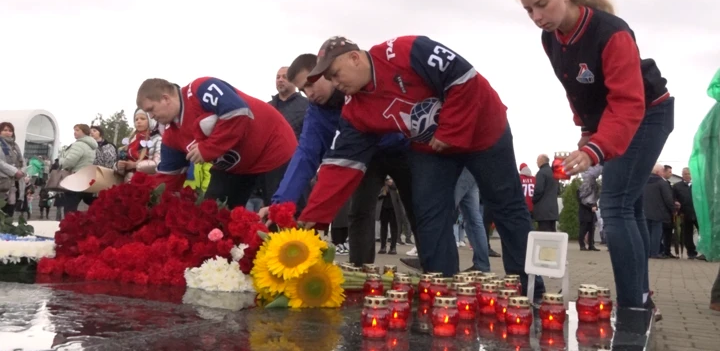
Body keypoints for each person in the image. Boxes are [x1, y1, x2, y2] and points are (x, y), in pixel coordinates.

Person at [294, 35, 545, 298]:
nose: (335, 84)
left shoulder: (408, 50)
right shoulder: (355, 109)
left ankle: (529, 290)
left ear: (354, 58)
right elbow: (341, 164)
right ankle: (442, 290)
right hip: (433, 148)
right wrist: (315, 216)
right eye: (330, 79)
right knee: (428, 212)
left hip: (484, 130)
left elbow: (464, 78)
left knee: (506, 205)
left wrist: (449, 130)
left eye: (335, 74)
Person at [517, 0, 674, 314]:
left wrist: (596, 149)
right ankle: (643, 300)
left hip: (648, 112)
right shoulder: (550, 39)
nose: (537, 16)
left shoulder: (611, 32)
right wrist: (586, 133)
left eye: (542, 4)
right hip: (611, 118)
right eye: (529, 10)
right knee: (628, 206)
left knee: (615, 205)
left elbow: (628, 102)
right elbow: (574, 87)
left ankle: (633, 307)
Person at [257, 53, 412, 267]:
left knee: (418, 207)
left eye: (311, 84)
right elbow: (306, 155)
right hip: (362, 158)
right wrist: (280, 203)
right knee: (359, 212)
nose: (309, 94)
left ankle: (435, 265)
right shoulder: (317, 111)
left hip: (399, 146)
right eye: (303, 90)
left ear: (324, 72)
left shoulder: (355, 86)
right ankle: (361, 271)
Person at [135, 77, 297, 208]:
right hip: (236, 168)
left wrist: (208, 148)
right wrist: (149, 204)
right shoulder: (170, 135)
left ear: (165, 99)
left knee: (282, 216)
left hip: (273, 149)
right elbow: (168, 178)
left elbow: (238, 112)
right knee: (212, 215)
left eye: (151, 109)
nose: (152, 116)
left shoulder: (200, 89)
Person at [643, 163, 674, 258]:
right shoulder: (661, 183)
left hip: (645, 212)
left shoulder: (644, 181)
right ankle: (654, 253)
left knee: (647, 232)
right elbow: (668, 199)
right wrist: (673, 209)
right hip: (659, 212)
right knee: (656, 233)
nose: (663, 172)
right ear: (657, 172)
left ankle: (647, 252)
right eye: (662, 171)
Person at [532, 154, 560, 231]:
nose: (536, 162)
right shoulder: (554, 173)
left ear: (541, 160)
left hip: (543, 212)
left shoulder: (541, 173)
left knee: (543, 237)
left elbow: (538, 190)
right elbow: (558, 191)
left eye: (537, 160)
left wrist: (533, 200)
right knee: (551, 237)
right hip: (552, 211)